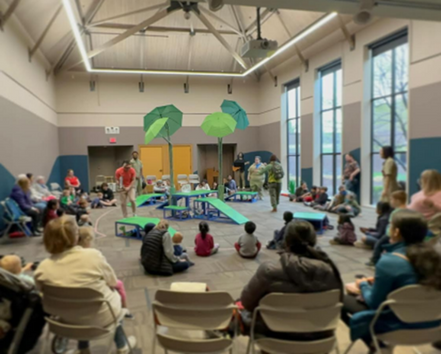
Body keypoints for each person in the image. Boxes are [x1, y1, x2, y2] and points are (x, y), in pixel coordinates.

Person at [341, 210, 441, 350]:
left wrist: (363, 285)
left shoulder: (389, 261)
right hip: (433, 326)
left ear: (396, 232)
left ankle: (375, 344)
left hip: (396, 327)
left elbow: (374, 303)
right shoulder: (434, 258)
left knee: (342, 299)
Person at [34, 216, 136, 353]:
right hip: (102, 318)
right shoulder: (93, 256)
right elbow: (112, 282)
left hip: (66, 322)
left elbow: (41, 294)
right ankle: (122, 346)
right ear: (75, 237)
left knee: (78, 305)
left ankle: (84, 349)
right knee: (110, 299)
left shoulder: (42, 268)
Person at [240, 220, 343, 338]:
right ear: (314, 241)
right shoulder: (330, 271)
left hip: (273, 338)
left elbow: (246, 303)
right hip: (318, 337)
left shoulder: (268, 271)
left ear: (286, 242)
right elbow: (338, 304)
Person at [77, 226, 133, 319]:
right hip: (96, 296)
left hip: (70, 306)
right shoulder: (94, 255)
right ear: (88, 240)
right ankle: (125, 309)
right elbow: (112, 280)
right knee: (119, 284)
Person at [368, 191, 407, 266]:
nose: (390, 202)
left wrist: (391, 235)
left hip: (390, 234)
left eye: (391, 199)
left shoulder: (395, 212)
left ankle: (374, 261)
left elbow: (392, 225)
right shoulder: (407, 210)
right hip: (399, 235)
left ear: (397, 200)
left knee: (378, 245)